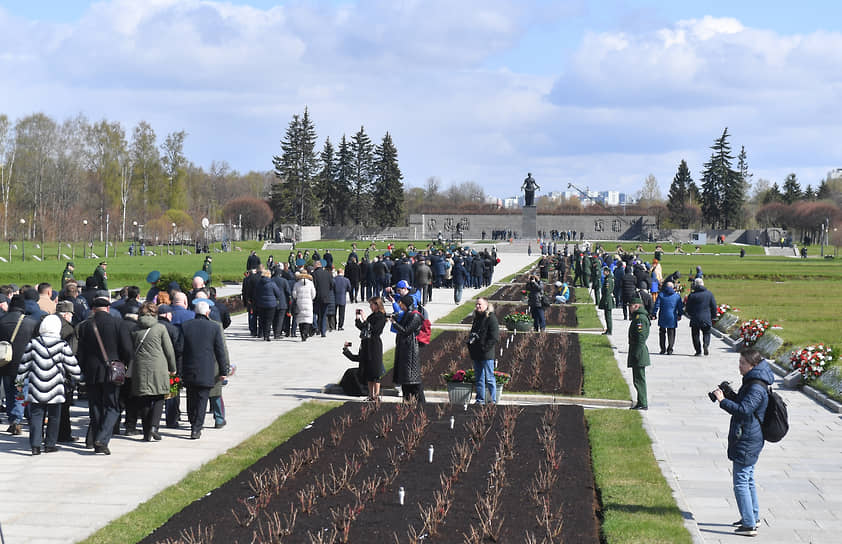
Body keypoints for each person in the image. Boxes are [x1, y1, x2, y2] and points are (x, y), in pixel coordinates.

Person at [712, 349, 775, 537]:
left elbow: (744, 410)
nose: (739, 366)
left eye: (742, 363)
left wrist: (723, 401)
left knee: (740, 481)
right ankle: (752, 517)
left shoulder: (756, 385)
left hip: (748, 437)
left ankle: (749, 524)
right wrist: (730, 394)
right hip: (749, 435)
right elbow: (744, 403)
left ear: (753, 365)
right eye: (739, 362)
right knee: (747, 478)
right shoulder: (753, 381)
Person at [76, 294, 133, 454]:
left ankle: (96, 439)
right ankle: (102, 439)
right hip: (112, 370)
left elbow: (81, 352)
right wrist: (124, 363)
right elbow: (127, 349)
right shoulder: (118, 323)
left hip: (92, 371)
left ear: (93, 309)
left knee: (95, 406)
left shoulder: (86, 326)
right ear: (108, 309)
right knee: (112, 406)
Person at [17, 315, 81, 455]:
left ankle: (35, 445)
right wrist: (79, 378)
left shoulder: (33, 343)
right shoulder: (61, 345)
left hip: (36, 387)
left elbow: (24, 366)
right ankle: (50, 444)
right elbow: (72, 366)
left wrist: (19, 383)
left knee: (36, 416)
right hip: (55, 388)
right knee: (54, 417)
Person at [128, 302, 177, 442]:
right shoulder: (160, 328)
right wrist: (173, 368)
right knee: (159, 397)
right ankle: (154, 426)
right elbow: (169, 350)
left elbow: (130, 350)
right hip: (159, 367)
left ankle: (146, 433)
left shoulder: (134, 329)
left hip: (140, 367)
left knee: (143, 399)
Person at [181, 301, 229, 440]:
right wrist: (223, 370)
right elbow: (220, 351)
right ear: (207, 313)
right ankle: (196, 428)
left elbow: (180, 349)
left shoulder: (186, 326)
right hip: (207, 369)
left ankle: (192, 421)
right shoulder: (214, 327)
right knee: (202, 400)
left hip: (189, 369)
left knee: (191, 398)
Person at [0, 295, 39, 435]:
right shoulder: (31, 323)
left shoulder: (2, 321)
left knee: (9, 392)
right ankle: (16, 419)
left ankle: (13, 419)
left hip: (4, 363)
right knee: (20, 393)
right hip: (23, 364)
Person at [343, 297, 387, 400]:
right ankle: (370, 395)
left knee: (375, 371)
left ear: (377, 305)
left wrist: (365, 319)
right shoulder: (372, 316)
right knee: (368, 372)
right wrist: (358, 318)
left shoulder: (381, 316)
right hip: (366, 344)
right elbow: (363, 327)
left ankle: (376, 395)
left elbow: (375, 330)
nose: (370, 306)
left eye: (372, 304)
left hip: (374, 345)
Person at [390, 295, 424, 403]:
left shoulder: (415, 316)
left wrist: (394, 323)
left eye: (402, 305)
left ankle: (421, 405)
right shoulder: (407, 314)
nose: (401, 307)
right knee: (405, 380)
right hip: (404, 348)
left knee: (413, 381)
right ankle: (407, 403)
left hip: (411, 350)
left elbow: (406, 331)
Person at [468, 298, 500, 405]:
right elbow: (473, 332)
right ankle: (480, 400)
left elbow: (494, 337)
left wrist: (485, 348)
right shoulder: (477, 317)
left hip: (486, 353)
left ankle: (493, 400)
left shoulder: (491, 318)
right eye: (476, 304)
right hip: (476, 352)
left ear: (486, 305)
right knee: (479, 378)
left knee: (489, 378)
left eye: (480, 304)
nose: (477, 306)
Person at [627, 296, 650, 410]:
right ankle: (641, 401)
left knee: (639, 380)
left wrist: (636, 353)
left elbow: (641, 338)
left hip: (639, 353)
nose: (629, 308)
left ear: (636, 306)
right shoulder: (637, 317)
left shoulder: (640, 319)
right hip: (637, 351)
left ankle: (643, 403)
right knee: (637, 379)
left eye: (630, 306)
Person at [685, 278, 717, 356]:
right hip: (706, 317)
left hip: (695, 318)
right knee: (706, 333)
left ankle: (698, 351)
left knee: (695, 335)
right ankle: (706, 344)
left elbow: (688, 308)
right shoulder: (709, 294)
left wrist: (690, 314)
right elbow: (713, 306)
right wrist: (713, 316)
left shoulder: (692, 295)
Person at [652, 281, 683, 355]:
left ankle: (663, 349)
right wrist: (680, 314)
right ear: (673, 287)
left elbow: (656, 305)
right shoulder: (676, 296)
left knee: (662, 332)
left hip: (663, 315)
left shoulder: (661, 295)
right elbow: (680, 307)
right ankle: (670, 349)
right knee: (671, 332)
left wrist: (654, 314)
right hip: (672, 316)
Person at [255, 270, 281, 341]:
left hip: (261, 304)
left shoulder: (259, 284)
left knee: (262, 319)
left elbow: (256, 293)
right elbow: (278, 293)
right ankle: (267, 335)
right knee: (269, 320)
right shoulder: (272, 284)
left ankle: (263, 334)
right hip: (271, 305)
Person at [292, 271, 316, 341]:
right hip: (308, 303)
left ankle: (302, 332)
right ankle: (305, 332)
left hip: (299, 303)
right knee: (307, 319)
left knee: (300, 319)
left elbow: (294, 294)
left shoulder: (297, 284)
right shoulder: (311, 283)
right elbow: (313, 294)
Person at [598, 267, 614, 335]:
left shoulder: (608, 280)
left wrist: (606, 301)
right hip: (607, 299)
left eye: (604, 271)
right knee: (607, 316)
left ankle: (609, 330)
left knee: (608, 317)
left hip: (607, 300)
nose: (603, 273)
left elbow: (607, 291)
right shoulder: (607, 279)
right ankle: (608, 329)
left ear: (607, 272)